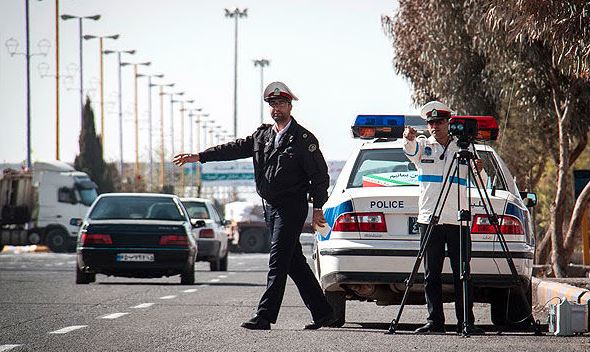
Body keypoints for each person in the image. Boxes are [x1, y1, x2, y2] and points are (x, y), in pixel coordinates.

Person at [173, 81, 334, 331]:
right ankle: (324, 313)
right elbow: (234, 149)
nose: (276, 108)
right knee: (294, 263)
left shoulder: (303, 139)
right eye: (272, 104)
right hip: (270, 208)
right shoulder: (263, 136)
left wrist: (318, 209)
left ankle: (265, 316)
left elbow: (320, 176)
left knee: (278, 261)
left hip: (291, 208)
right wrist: (200, 156)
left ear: (290, 106)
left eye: (281, 103)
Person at [402, 101, 485, 335]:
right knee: (431, 275)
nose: (435, 126)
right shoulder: (422, 146)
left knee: (463, 273)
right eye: (431, 123)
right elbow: (409, 151)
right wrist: (408, 137)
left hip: (458, 220)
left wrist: (479, 168)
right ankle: (434, 321)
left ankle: (466, 321)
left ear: (448, 123)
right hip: (430, 219)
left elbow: (481, 181)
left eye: (439, 122)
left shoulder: (464, 147)